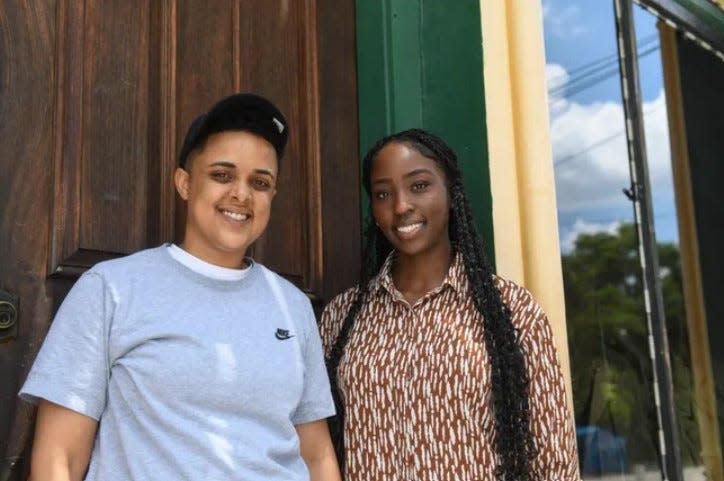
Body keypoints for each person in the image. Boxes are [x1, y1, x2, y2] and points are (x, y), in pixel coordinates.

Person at [20, 93, 341, 481]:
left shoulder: (292, 306)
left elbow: (317, 456)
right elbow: (60, 457)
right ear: (185, 183)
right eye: (222, 175)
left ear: (272, 195)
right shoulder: (111, 289)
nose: (241, 194)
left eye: (260, 182)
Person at [321, 128, 580, 481]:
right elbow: (317, 450)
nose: (401, 205)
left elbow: (555, 462)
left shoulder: (514, 311)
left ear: (452, 193)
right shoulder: (341, 317)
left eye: (419, 185)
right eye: (383, 193)